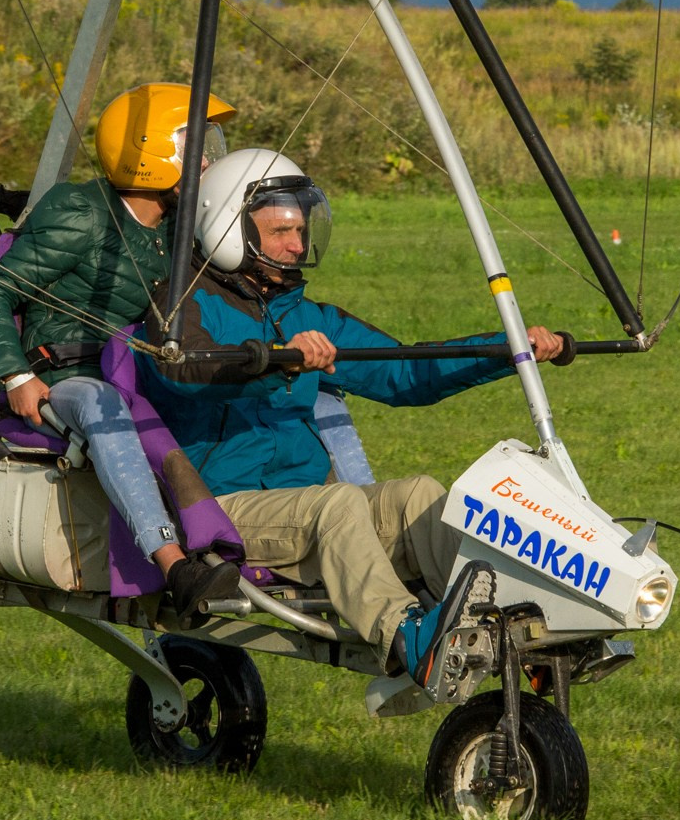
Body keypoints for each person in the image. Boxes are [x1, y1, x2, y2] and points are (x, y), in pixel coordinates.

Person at [137, 146, 575, 688]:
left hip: (298, 508)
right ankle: (411, 639)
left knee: (419, 494)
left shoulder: (307, 316)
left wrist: (506, 348)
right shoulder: (180, 306)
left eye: (301, 229)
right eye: (280, 232)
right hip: (222, 510)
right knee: (339, 503)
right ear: (229, 230)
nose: (298, 245)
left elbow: (404, 373)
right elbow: (186, 375)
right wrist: (279, 361)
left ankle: (510, 635)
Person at [0, 83, 242, 621]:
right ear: (149, 154)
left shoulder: (179, 233)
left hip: (138, 374)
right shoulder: (82, 213)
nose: (208, 161)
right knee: (103, 404)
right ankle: (174, 565)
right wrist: (15, 376)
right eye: (195, 147)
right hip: (66, 376)